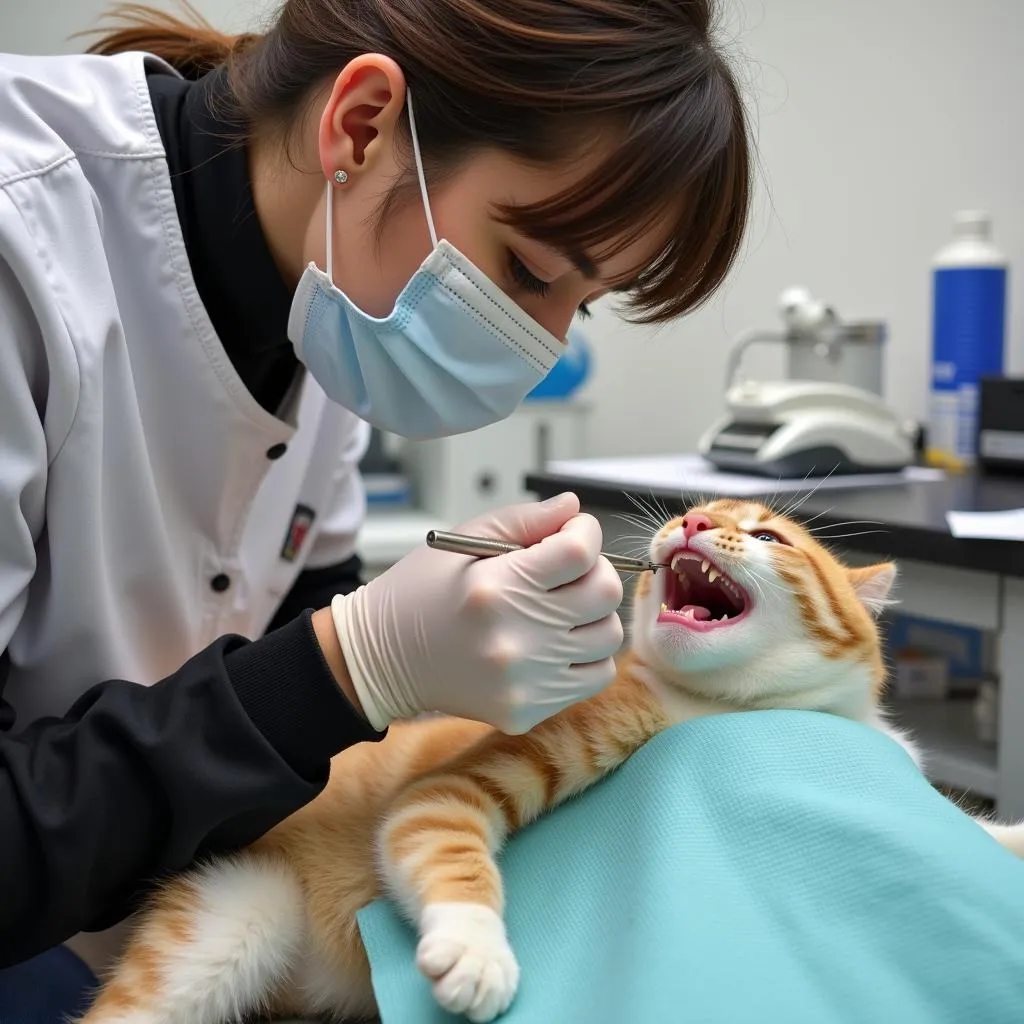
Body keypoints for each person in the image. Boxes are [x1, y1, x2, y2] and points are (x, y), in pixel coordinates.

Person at [0, 0, 750, 999]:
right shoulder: (24, 238)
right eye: (528, 270)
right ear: (359, 126)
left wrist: (414, 673)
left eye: (583, 300)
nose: (542, 351)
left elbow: (287, 719)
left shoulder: (325, 305)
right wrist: (352, 666)